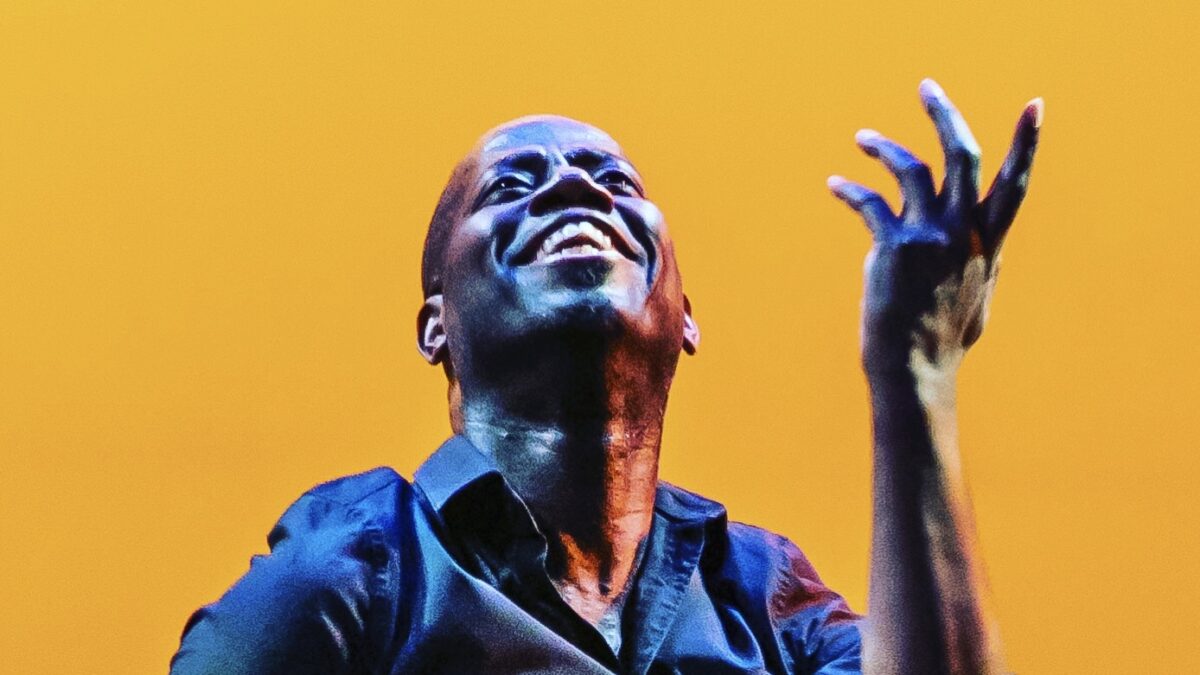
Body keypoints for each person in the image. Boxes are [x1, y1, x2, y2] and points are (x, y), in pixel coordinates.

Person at [170, 79, 1042, 675]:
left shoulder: (766, 600)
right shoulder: (355, 574)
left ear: (686, 315)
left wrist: (915, 370)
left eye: (611, 179)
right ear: (438, 324)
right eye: (511, 185)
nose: (572, 190)